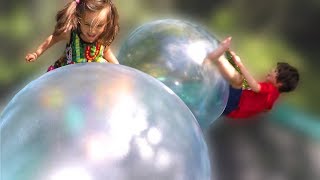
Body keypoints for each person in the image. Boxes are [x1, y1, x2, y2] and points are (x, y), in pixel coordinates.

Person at [206, 37, 300, 119]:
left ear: (280, 83)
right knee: (237, 79)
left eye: (275, 72)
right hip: (230, 109)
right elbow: (266, 109)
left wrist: (240, 64)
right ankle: (218, 58)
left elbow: (255, 87)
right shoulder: (273, 97)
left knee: (238, 80)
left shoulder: (271, 89)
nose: (271, 70)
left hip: (233, 105)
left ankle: (216, 59)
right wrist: (233, 60)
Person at [25, 0, 120, 71]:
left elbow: (107, 52)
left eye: (99, 26)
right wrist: (36, 53)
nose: (92, 31)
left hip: (93, 74)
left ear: (106, 24)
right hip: (70, 73)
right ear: (79, 20)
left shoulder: (102, 37)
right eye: (87, 24)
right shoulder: (71, 33)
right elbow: (53, 39)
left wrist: (119, 69)